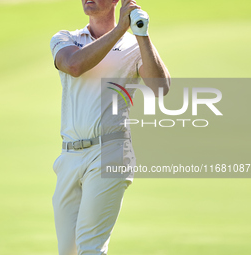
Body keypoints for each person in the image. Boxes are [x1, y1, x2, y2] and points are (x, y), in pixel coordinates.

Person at [49, 0, 170, 254]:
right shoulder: (65, 38)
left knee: (91, 247)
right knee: (67, 251)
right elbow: (74, 65)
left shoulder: (133, 46)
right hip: (70, 155)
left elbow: (161, 88)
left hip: (110, 151)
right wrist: (120, 30)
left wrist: (141, 33)